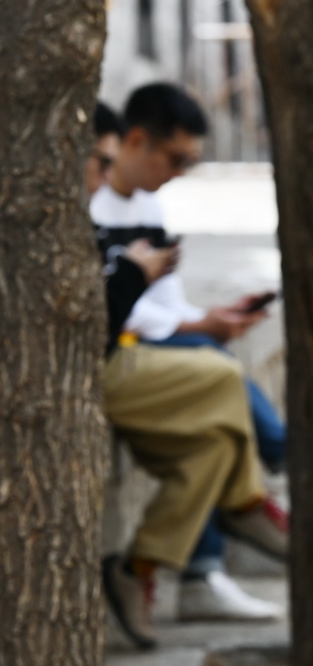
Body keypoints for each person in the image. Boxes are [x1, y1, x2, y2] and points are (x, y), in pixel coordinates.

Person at [91, 81, 286, 620]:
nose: (177, 173)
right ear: (133, 141)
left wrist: (207, 319)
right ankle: (252, 497)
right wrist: (140, 279)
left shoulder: (148, 208)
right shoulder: (86, 207)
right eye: (175, 159)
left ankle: (142, 570)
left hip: (143, 344)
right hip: (116, 356)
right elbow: (109, 316)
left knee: (215, 447)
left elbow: (160, 305)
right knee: (222, 377)